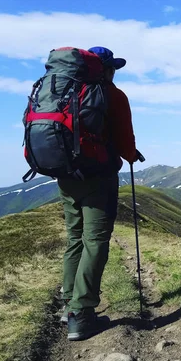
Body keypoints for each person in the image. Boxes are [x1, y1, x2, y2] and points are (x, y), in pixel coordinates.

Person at [58, 46, 138, 341]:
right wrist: (129, 153)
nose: (114, 72)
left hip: (66, 175)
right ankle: (82, 314)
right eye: (112, 68)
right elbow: (126, 144)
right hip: (98, 177)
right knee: (95, 240)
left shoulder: (66, 91)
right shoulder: (113, 95)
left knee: (75, 238)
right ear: (104, 69)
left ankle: (69, 304)